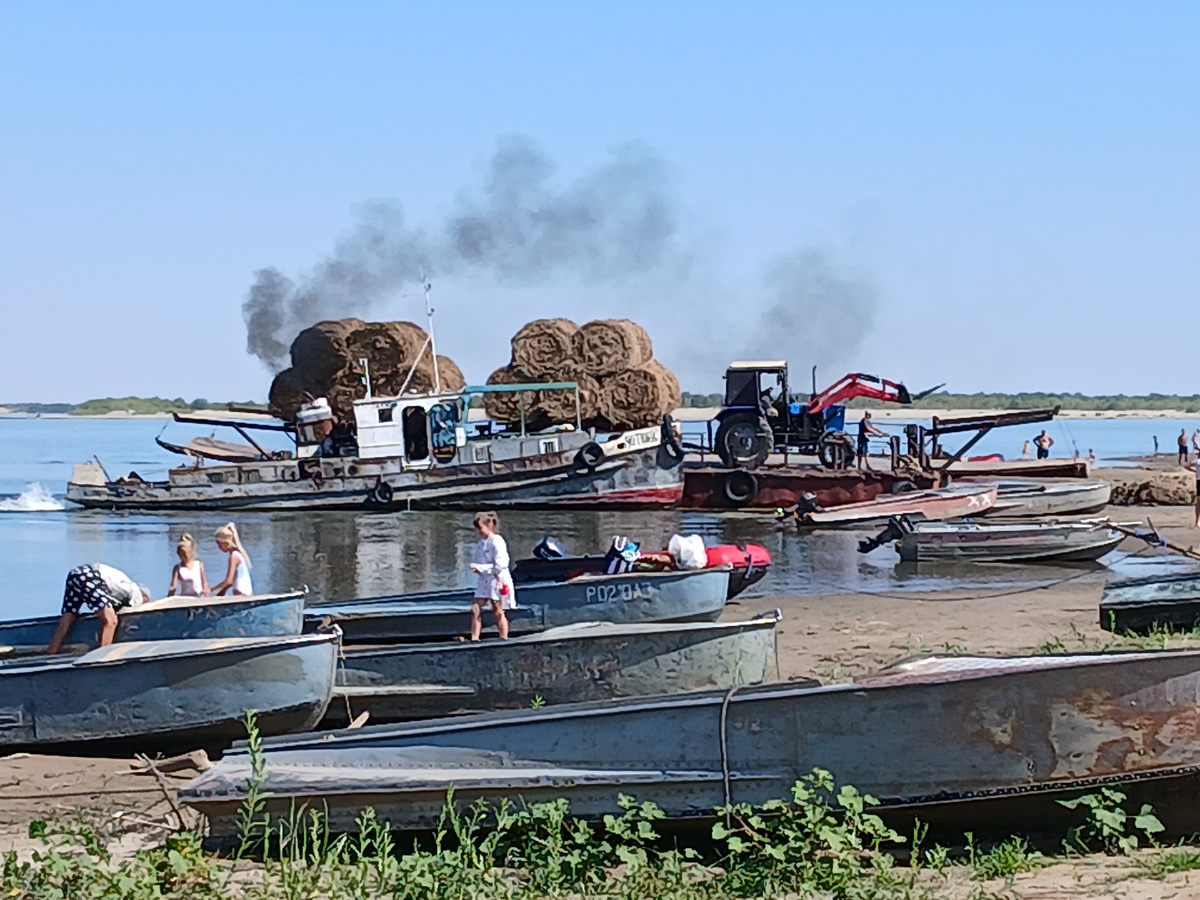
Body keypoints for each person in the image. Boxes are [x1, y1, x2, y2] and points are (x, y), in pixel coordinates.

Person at [47, 564, 149, 654]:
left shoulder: (123, 587)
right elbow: (130, 613)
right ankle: (101, 658)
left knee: (67, 619)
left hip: (77, 574)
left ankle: (52, 653)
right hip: (90, 576)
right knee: (111, 621)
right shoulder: (136, 593)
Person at [469, 511, 514, 641]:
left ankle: (503, 637)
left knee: (497, 610)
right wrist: (478, 569)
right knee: (475, 608)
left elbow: (501, 565)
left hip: (496, 581)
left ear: (488, 526)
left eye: (480, 528)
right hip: (484, 581)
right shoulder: (481, 543)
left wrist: (481, 568)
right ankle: (474, 638)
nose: (479, 532)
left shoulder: (497, 541)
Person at [211, 522, 253, 596]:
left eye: (219, 544)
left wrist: (212, 589)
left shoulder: (233, 557)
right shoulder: (239, 554)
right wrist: (222, 591)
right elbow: (231, 581)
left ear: (226, 543)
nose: (218, 547)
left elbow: (229, 581)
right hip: (247, 594)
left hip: (241, 594)